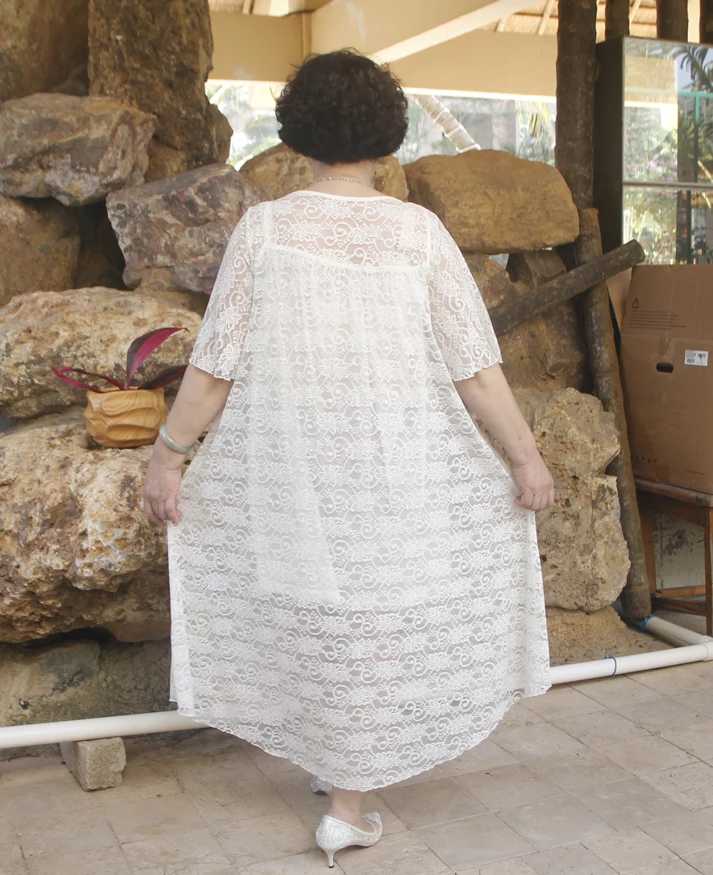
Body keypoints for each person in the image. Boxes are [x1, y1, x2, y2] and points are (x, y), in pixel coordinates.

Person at [143, 49, 553, 869]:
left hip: (296, 474)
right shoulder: (419, 234)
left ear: (297, 133)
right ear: (385, 133)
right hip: (400, 475)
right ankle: (347, 802)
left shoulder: (265, 230)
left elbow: (214, 371)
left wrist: (168, 457)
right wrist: (525, 459)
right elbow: (476, 370)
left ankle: (345, 784)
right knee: (374, 624)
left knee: (315, 610)